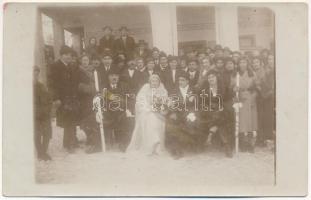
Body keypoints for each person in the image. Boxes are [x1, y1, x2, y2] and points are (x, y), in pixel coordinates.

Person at [49, 45, 81, 153]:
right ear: (61, 55)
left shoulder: (70, 66)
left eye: (70, 55)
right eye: (66, 54)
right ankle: (70, 144)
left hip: (72, 97)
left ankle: (70, 142)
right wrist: (56, 98)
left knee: (72, 119)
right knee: (68, 121)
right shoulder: (55, 66)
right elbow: (52, 84)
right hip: (62, 98)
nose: (68, 57)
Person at [127, 74, 168, 156]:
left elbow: (165, 102)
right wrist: (149, 109)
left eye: (156, 81)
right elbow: (140, 101)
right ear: (149, 82)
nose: (154, 83)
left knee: (157, 121)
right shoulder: (145, 88)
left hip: (159, 113)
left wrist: (159, 108)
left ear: (159, 82)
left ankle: (157, 147)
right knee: (151, 119)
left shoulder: (162, 90)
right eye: (152, 81)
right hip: (146, 112)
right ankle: (152, 144)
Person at [198, 69, 234, 157]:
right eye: (209, 77)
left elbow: (229, 100)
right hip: (209, 111)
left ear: (216, 77)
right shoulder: (204, 89)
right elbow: (201, 102)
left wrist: (221, 107)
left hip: (222, 110)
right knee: (219, 119)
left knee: (221, 115)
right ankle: (226, 145)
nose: (211, 79)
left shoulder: (223, 87)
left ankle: (211, 133)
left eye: (212, 77)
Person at [165, 72, 200, 159]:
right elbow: (170, 104)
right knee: (171, 124)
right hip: (177, 113)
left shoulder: (193, 90)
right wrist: (173, 112)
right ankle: (177, 149)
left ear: (187, 81)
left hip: (190, 113)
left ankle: (193, 144)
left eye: (183, 80)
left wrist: (192, 114)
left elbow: (196, 104)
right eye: (179, 80)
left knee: (193, 122)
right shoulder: (174, 90)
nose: (180, 82)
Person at [231, 57, 258, 153]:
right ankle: (243, 143)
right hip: (239, 99)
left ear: (247, 64)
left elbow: (256, 87)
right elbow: (231, 86)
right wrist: (234, 89)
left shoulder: (252, 74)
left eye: (244, 62)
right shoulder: (235, 74)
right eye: (240, 62)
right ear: (238, 64)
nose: (242, 64)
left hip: (250, 98)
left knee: (250, 121)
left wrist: (253, 98)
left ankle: (250, 144)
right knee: (241, 122)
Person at [77, 55, 101, 153]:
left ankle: (94, 142)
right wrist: (84, 87)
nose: (85, 62)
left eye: (87, 60)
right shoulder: (78, 71)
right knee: (84, 122)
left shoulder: (93, 71)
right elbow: (78, 85)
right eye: (83, 60)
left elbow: (97, 84)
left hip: (92, 99)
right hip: (83, 100)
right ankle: (89, 139)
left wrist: (93, 89)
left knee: (93, 120)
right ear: (81, 61)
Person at [102, 69, 131, 151]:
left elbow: (130, 99)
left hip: (121, 112)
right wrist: (109, 96)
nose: (114, 77)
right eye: (111, 75)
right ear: (108, 77)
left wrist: (123, 103)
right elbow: (101, 99)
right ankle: (106, 141)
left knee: (126, 119)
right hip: (108, 113)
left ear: (119, 77)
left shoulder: (124, 86)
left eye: (116, 75)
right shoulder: (104, 87)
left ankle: (123, 143)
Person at [34, 66, 52, 161]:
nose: (35, 76)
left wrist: (48, 110)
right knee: (36, 134)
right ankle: (40, 152)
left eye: (36, 74)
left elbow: (49, 99)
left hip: (44, 113)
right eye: (33, 74)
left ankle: (43, 152)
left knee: (47, 133)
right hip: (34, 115)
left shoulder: (42, 86)